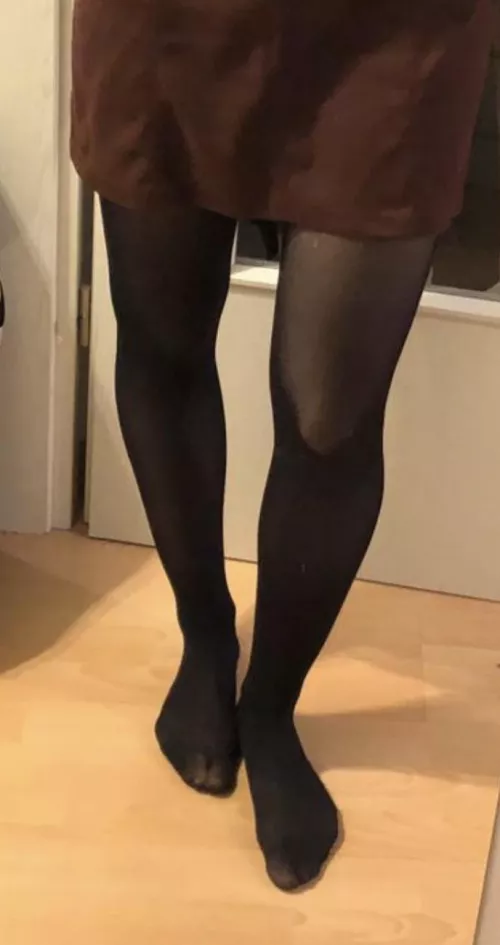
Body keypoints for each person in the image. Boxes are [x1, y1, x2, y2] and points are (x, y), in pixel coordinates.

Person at [71, 0, 493, 890]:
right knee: (161, 345)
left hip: (397, 27)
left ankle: (270, 705)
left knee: (330, 420)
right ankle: (206, 637)